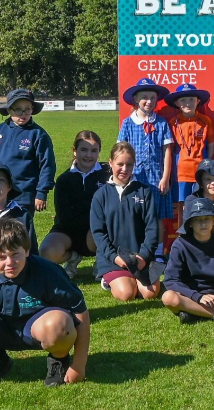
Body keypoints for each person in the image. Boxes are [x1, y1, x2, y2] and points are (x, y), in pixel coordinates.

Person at [0, 219, 89, 388]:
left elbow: (80, 311)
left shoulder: (49, 273)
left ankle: (59, 359)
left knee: (59, 324)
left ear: (26, 251)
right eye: (0, 257)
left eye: (15, 254)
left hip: (37, 328)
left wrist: (79, 364)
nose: (9, 263)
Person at [90, 141, 162, 302]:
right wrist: (114, 257)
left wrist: (144, 256)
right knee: (127, 294)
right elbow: (98, 233)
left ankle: (134, 277)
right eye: (120, 164)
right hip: (113, 259)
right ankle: (107, 279)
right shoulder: (100, 195)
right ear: (110, 163)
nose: (124, 169)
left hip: (140, 257)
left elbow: (152, 228)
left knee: (151, 293)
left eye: (129, 164)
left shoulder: (144, 191)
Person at [40, 130, 109, 275]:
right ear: (74, 151)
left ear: (99, 152)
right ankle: (73, 258)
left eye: (93, 151)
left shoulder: (107, 174)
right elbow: (64, 217)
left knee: (104, 229)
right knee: (47, 252)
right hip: (68, 232)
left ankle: (102, 261)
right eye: (83, 150)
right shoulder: (64, 180)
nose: (88, 155)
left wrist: (93, 225)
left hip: (96, 231)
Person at [116, 78, 174, 245]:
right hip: (134, 176)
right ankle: (137, 248)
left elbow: (167, 151)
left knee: (157, 216)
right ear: (136, 99)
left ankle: (158, 252)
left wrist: (165, 178)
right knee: (135, 213)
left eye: (153, 98)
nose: (149, 101)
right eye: (145, 97)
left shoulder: (161, 123)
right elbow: (121, 150)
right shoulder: (128, 123)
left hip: (156, 177)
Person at [0, 88, 56, 213]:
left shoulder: (38, 135)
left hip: (24, 196)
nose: (23, 113)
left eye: (27, 109)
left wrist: (41, 192)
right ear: (9, 110)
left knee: (21, 231)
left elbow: (47, 165)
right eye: (18, 109)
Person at [165, 82, 214, 231]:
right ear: (177, 103)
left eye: (192, 99)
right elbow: (170, 149)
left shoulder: (205, 121)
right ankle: (183, 237)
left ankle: (200, 237)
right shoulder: (172, 123)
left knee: (200, 205)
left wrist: (206, 165)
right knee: (182, 206)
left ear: (198, 101)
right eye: (183, 100)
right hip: (180, 173)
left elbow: (211, 145)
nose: (188, 103)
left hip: (199, 173)